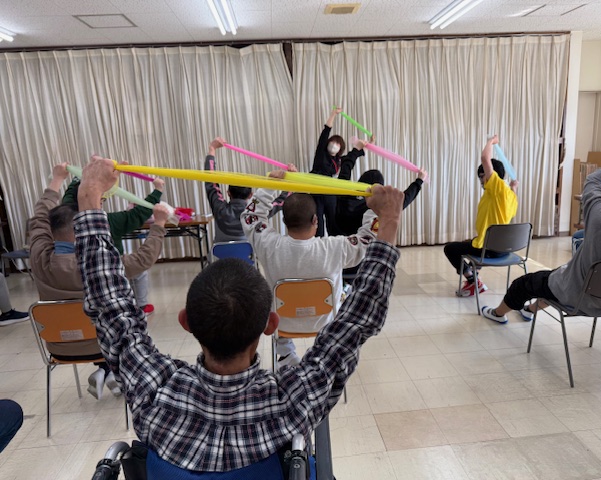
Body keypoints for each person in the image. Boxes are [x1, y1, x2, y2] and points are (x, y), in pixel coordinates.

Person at [73, 155, 403, 472]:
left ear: (186, 321)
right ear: (269, 324)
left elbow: (110, 306)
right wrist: (387, 220)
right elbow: (357, 318)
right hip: (321, 320)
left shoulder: (155, 392)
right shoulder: (291, 402)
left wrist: (89, 196)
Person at [29, 163, 169, 399]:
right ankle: (112, 370)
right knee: (116, 318)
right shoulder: (100, 264)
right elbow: (144, 258)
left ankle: (105, 371)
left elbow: (39, 218)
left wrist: (56, 180)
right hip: (104, 345)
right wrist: (159, 225)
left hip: (58, 347)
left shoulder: (38, 258)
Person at [241, 165, 377, 368]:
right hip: (326, 321)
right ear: (315, 220)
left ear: (284, 221)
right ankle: (326, 351)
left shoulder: (269, 245)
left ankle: (285, 353)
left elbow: (249, 217)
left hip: (282, 323)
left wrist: (270, 185)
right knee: (345, 294)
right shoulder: (335, 248)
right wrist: (375, 208)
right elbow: (368, 239)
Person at [481, 152, 601, 324]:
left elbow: (594, 179)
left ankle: (497, 314)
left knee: (523, 284)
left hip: (576, 297)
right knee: (556, 276)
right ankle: (529, 311)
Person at [62, 172, 165, 315]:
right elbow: (139, 214)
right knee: (139, 271)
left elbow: (69, 194)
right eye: (101, 198)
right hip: (111, 275)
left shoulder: (64, 217)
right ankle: (141, 306)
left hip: (72, 280)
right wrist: (158, 191)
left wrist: (81, 175)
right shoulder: (108, 221)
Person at [443, 135, 518, 296]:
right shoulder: (510, 196)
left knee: (450, 249)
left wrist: (491, 141)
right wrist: (514, 187)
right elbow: (512, 190)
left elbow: (485, 158)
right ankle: (474, 276)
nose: (481, 180)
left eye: (482, 176)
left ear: (492, 174)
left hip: (490, 249)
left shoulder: (497, 188)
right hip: (503, 249)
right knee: (473, 242)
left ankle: (473, 281)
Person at [204, 138, 288, 243]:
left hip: (221, 254)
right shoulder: (257, 211)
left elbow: (211, 183)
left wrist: (212, 149)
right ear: (250, 195)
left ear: (228, 193)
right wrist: (291, 176)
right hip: (249, 254)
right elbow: (282, 200)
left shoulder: (220, 209)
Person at [311, 107, 368, 237]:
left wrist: (369, 143)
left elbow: (353, 156)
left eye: (337, 144)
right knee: (318, 223)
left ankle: (335, 244)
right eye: (332, 142)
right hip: (316, 191)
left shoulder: (339, 161)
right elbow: (325, 132)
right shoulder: (321, 154)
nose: (334, 145)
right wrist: (333, 114)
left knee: (333, 222)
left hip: (330, 192)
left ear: (340, 149)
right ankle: (319, 244)